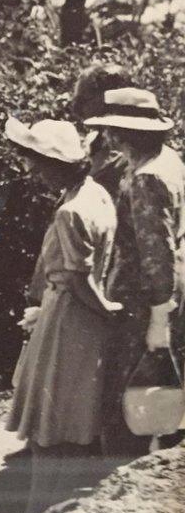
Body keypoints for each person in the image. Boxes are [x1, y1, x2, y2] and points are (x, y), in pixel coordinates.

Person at [3, 117, 121, 513]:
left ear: (57, 164)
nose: (32, 171)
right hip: (77, 321)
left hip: (70, 321)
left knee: (48, 427)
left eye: (37, 161)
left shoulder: (71, 211)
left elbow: (78, 276)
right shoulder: (97, 195)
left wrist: (104, 308)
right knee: (66, 424)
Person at [84, 87, 185, 458]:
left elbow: (157, 253)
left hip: (142, 301)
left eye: (111, 129)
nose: (107, 137)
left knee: (129, 402)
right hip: (159, 297)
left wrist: (159, 319)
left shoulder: (147, 177)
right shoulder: (167, 160)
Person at [70, 64, 134, 201]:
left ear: (110, 98)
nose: (76, 109)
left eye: (83, 101)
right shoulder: (92, 142)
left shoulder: (132, 151)